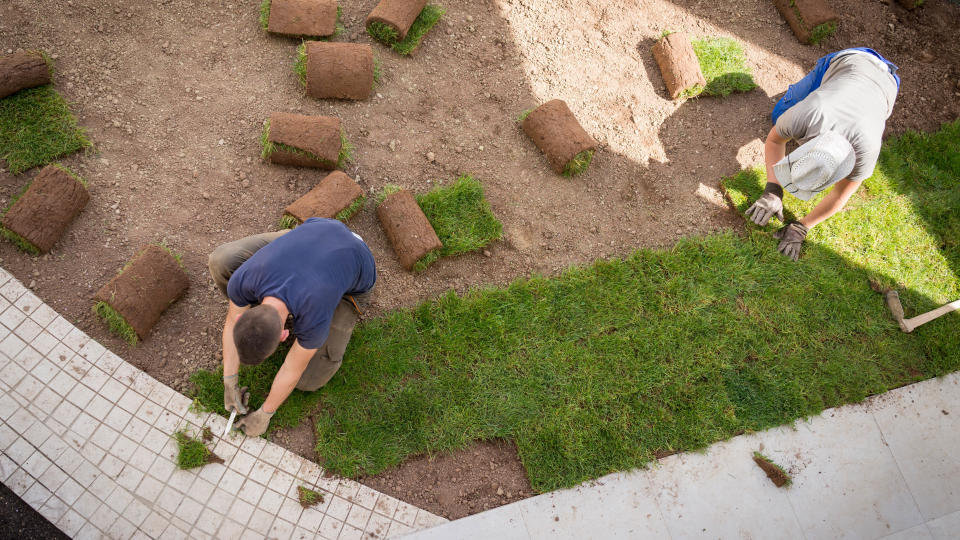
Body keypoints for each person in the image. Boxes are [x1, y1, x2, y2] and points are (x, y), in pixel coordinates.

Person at [207, 218, 376, 436]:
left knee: (309, 379)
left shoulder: (313, 314)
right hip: (311, 235)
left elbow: (292, 368)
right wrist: (229, 379)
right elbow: (231, 323)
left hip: (356, 259)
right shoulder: (244, 279)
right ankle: (295, 244)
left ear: (285, 334)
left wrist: (265, 414)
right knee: (222, 261)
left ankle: (337, 282)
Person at [745, 47, 900, 260]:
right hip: (851, 60)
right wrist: (773, 189)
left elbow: (840, 196)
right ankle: (823, 81)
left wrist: (802, 227)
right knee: (779, 115)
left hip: (887, 84)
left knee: (785, 119)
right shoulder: (810, 114)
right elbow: (774, 139)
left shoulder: (866, 153)